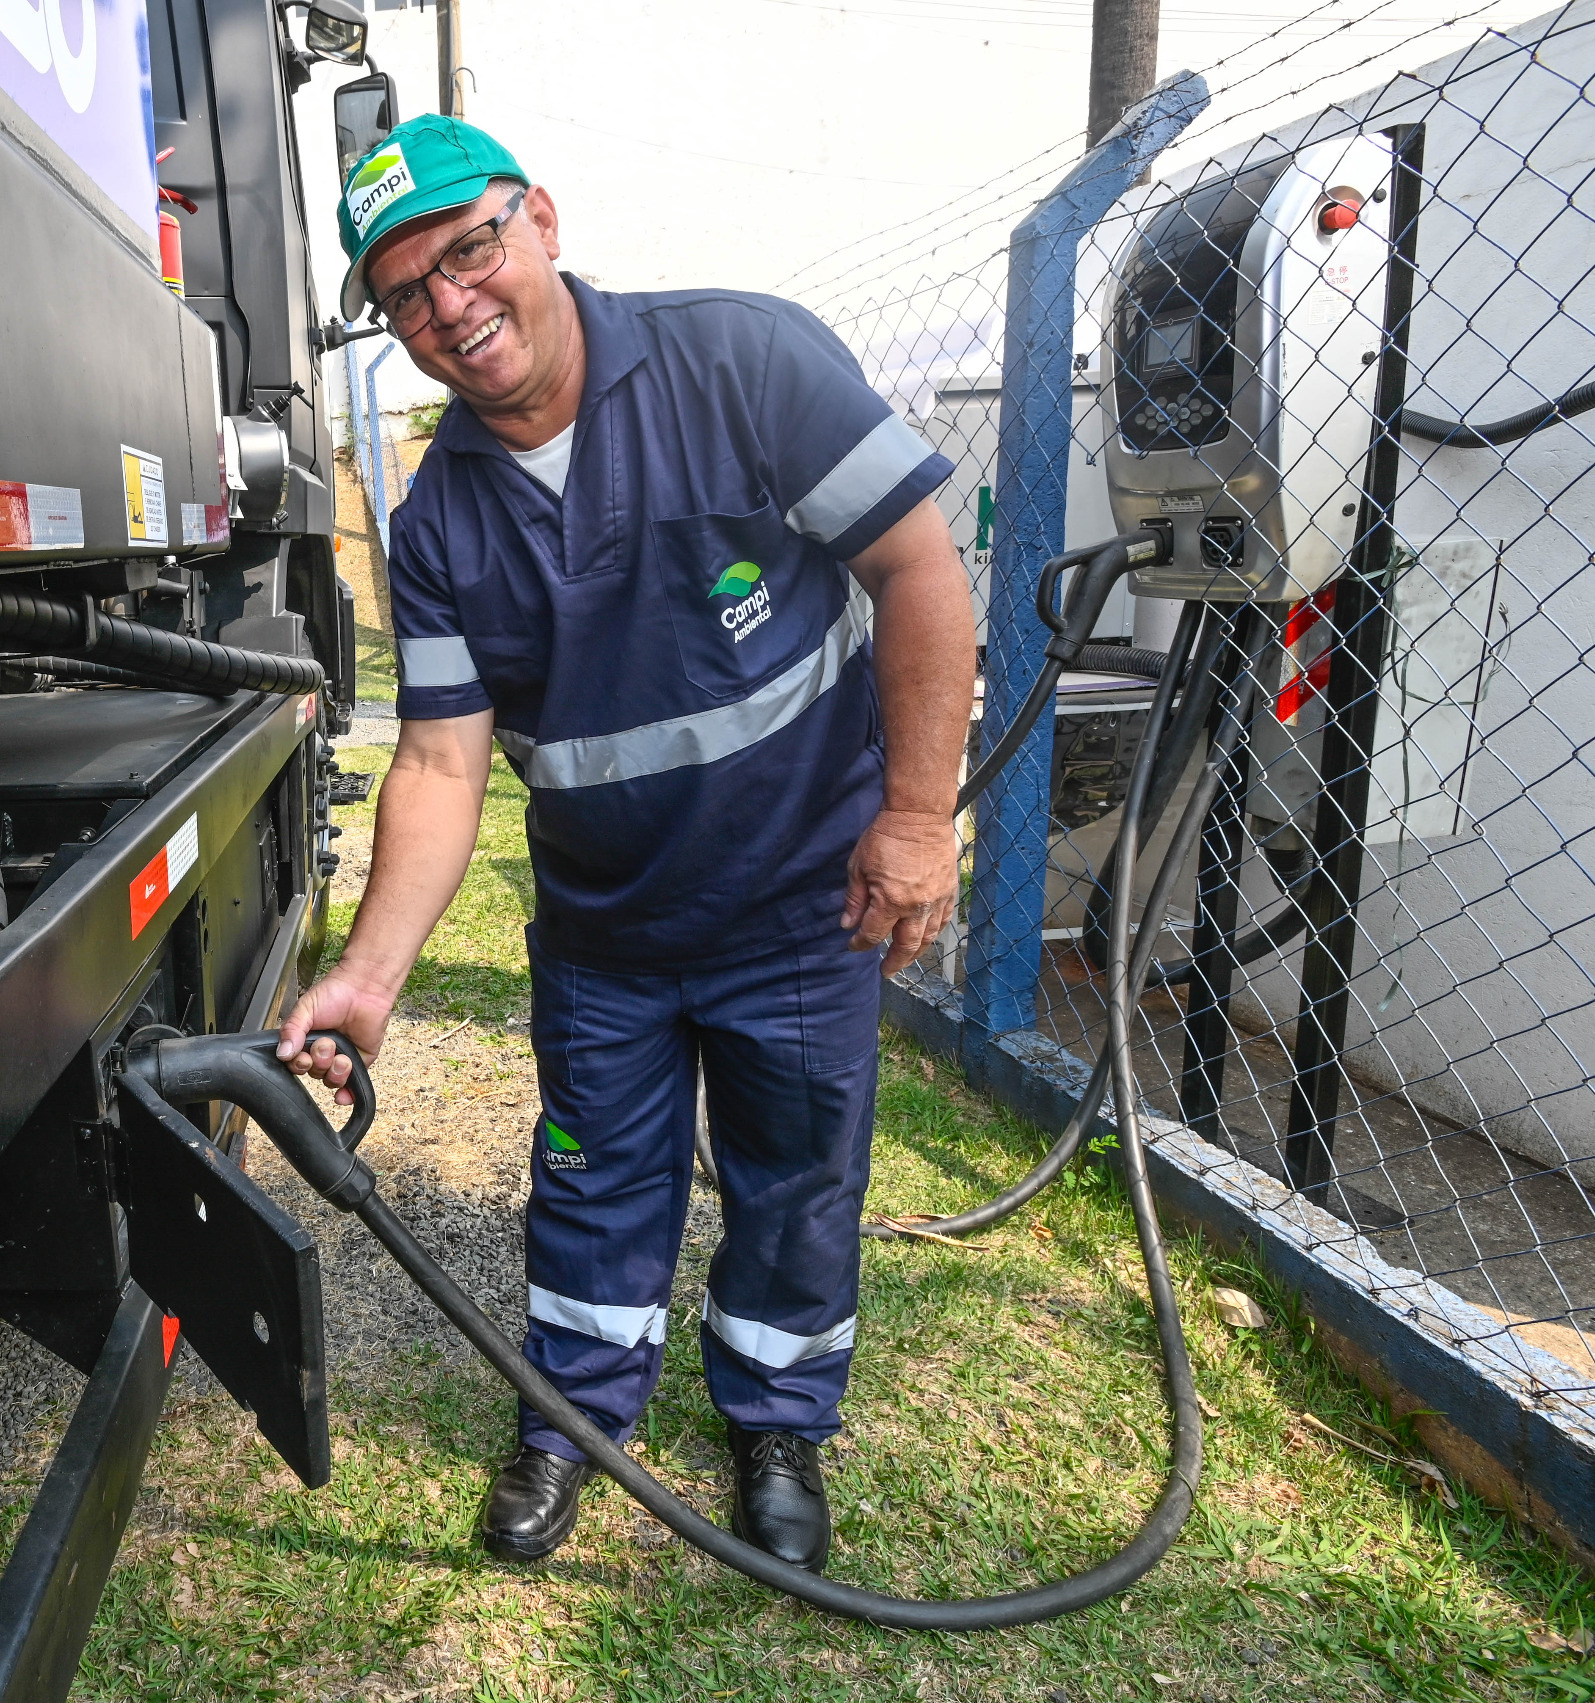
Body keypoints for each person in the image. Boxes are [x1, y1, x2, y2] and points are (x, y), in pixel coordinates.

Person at [279, 116, 975, 1573]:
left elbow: (917, 569)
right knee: (594, 1176)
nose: (453, 306)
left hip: (802, 903)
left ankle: (778, 1424)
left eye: (470, 250)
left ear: (539, 219)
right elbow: (438, 760)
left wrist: (915, 819)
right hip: (609, 933)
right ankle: (574, 1420)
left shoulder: (744, 363)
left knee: (795, 1173)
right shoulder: (440, 517)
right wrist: (371, 975)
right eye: (407, 293)